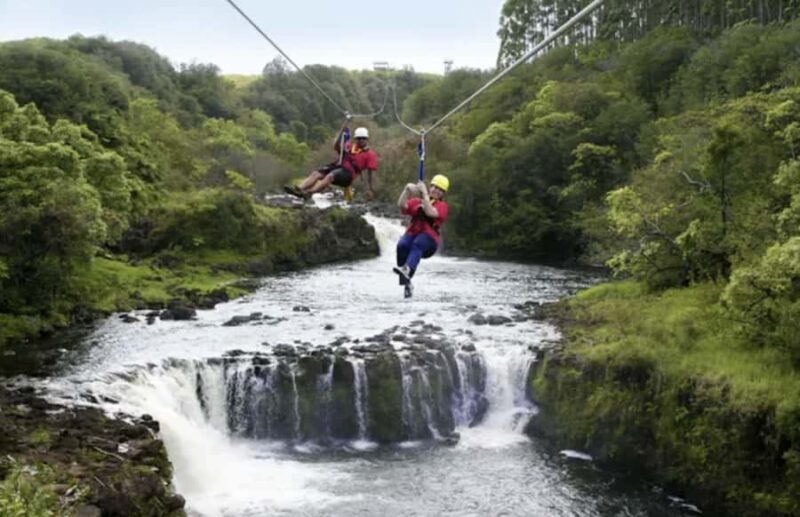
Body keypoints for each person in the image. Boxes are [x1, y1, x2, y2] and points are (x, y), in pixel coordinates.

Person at [393, 174, 450, 298]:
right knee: (402, 245)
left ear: (443, 194)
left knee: (419, 243)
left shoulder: (442, 206)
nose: (436, 190)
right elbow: (402, 205)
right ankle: (407, 279)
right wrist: (407, 190)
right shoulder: (417, 202)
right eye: (434, 187)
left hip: (429, 241)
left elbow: (430, 212)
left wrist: (424, 194)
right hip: (413, 234)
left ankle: (407, 270)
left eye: (440, 190)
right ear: (430, 187)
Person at [285, 124, 378, 200]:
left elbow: (370, 174)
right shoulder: (350, 146)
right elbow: (336, 146)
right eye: (359, 138)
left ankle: (309, 193)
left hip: (348, 174)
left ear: (367, 139)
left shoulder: (370, 154)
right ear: (356, 139)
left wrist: (370, 189)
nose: (361, 140)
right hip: (338, 166)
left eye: (363, 138)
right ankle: (299, 189)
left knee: (330, 176)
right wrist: (341, 131)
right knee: (316, 173)